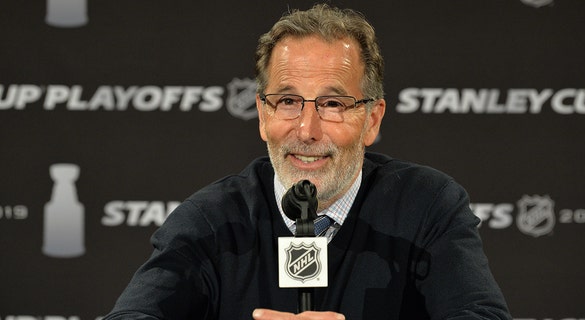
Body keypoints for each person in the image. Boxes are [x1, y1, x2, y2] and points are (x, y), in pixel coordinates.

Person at [104, 4, 511, 320]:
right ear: (263, 116)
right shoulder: (211, 221)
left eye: (333, 104)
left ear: (372, 119)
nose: (307, 129)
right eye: (287, 102)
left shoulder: (426, 206)